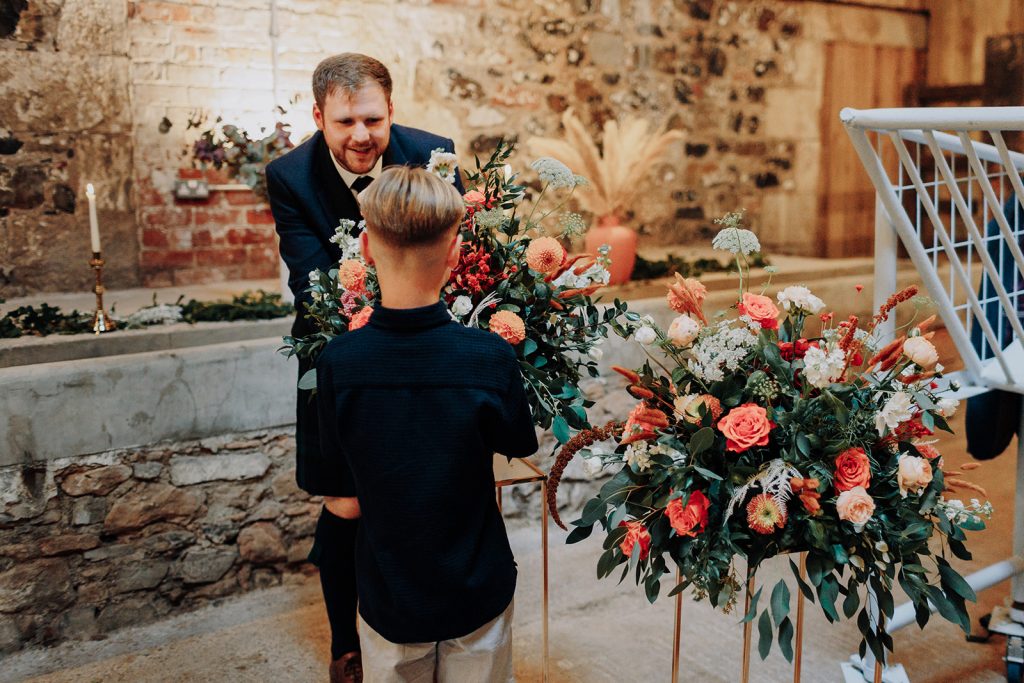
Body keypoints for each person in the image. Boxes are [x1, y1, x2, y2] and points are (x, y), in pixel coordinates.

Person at [265, 53, 463, 682]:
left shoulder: (435, 153)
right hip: (338, 356)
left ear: (392, 111)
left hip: (426, 350)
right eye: (345, 121)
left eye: (373, 119)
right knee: (347, 502)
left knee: (426, 490)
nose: (361, 136)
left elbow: (462, 256)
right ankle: (345, 643)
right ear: (319, 116)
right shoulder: (290, 176)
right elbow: (312, 283)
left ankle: (433, 620)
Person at [315, 166, 538, 682]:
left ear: (366, 250)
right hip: (475, 585)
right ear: (457, 254)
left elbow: (343, 499)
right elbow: (516, 442)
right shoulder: (487, 358)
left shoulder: (339, 363)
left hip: (389, 593)